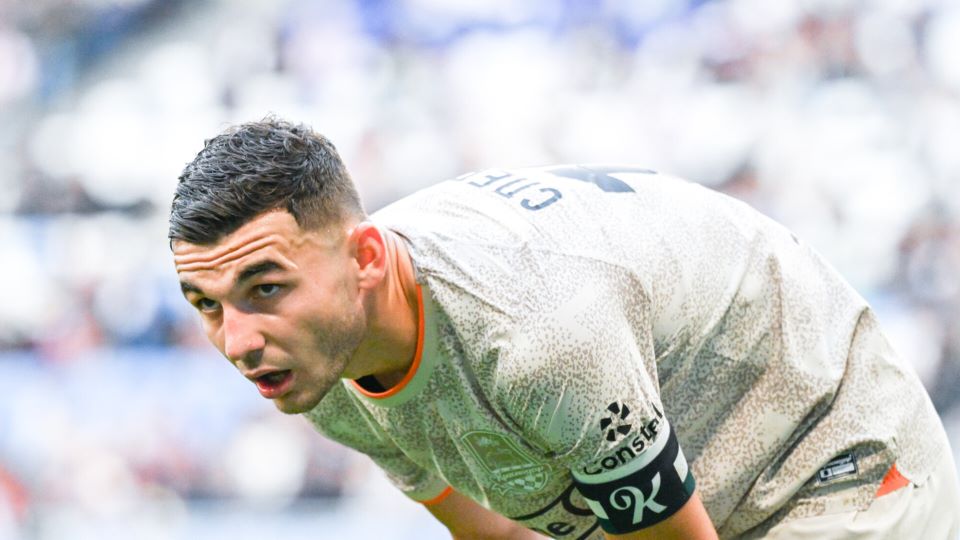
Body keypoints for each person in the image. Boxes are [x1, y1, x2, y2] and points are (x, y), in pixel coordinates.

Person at [168, 118, 960, 540]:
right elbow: (497, 535)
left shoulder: (537, 335)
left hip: (834, 462)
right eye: (206, 304)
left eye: (265, 289)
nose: (238, 341)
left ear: (366, 258)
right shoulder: (319, 365)